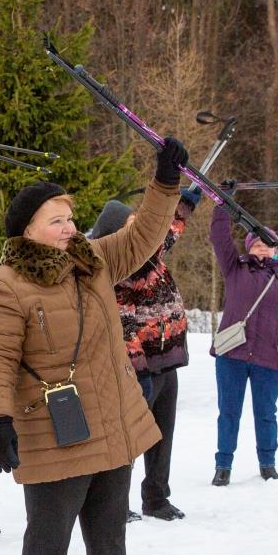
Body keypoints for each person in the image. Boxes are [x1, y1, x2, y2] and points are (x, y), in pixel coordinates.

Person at [0, 139, 189, 555]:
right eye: (57, 220)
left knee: (109, 534)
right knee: (49, 540)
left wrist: (164, 182)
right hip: (55, 431)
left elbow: (143, 235)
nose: (70, 227)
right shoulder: (5, 286)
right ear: (26, 229)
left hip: (112, 422)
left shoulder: (90, 259)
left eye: (71, 217)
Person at [89, 184, 202, 521]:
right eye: (130, 227)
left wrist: (185, 204)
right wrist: (137, 369)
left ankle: (156, 497)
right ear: (113, 235)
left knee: (161, 435)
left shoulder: (148, 251)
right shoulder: (114, 266)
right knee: (130, 436)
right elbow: (123, 322)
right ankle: (114, 503)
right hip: (140, 367)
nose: (138, 232)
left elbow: (166, 232)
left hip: (167, 360)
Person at [209, 207, 278, 485]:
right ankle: (223, 466)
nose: (262, 250)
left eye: (267, 245)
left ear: (276, 250)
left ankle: (268, 463)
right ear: (248, 248)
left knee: (266, 414)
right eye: (256, 244)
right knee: (228, 412)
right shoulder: (234, 268)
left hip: (270, 357)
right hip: (232, 355)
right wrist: (222, 206)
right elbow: (219, 237)